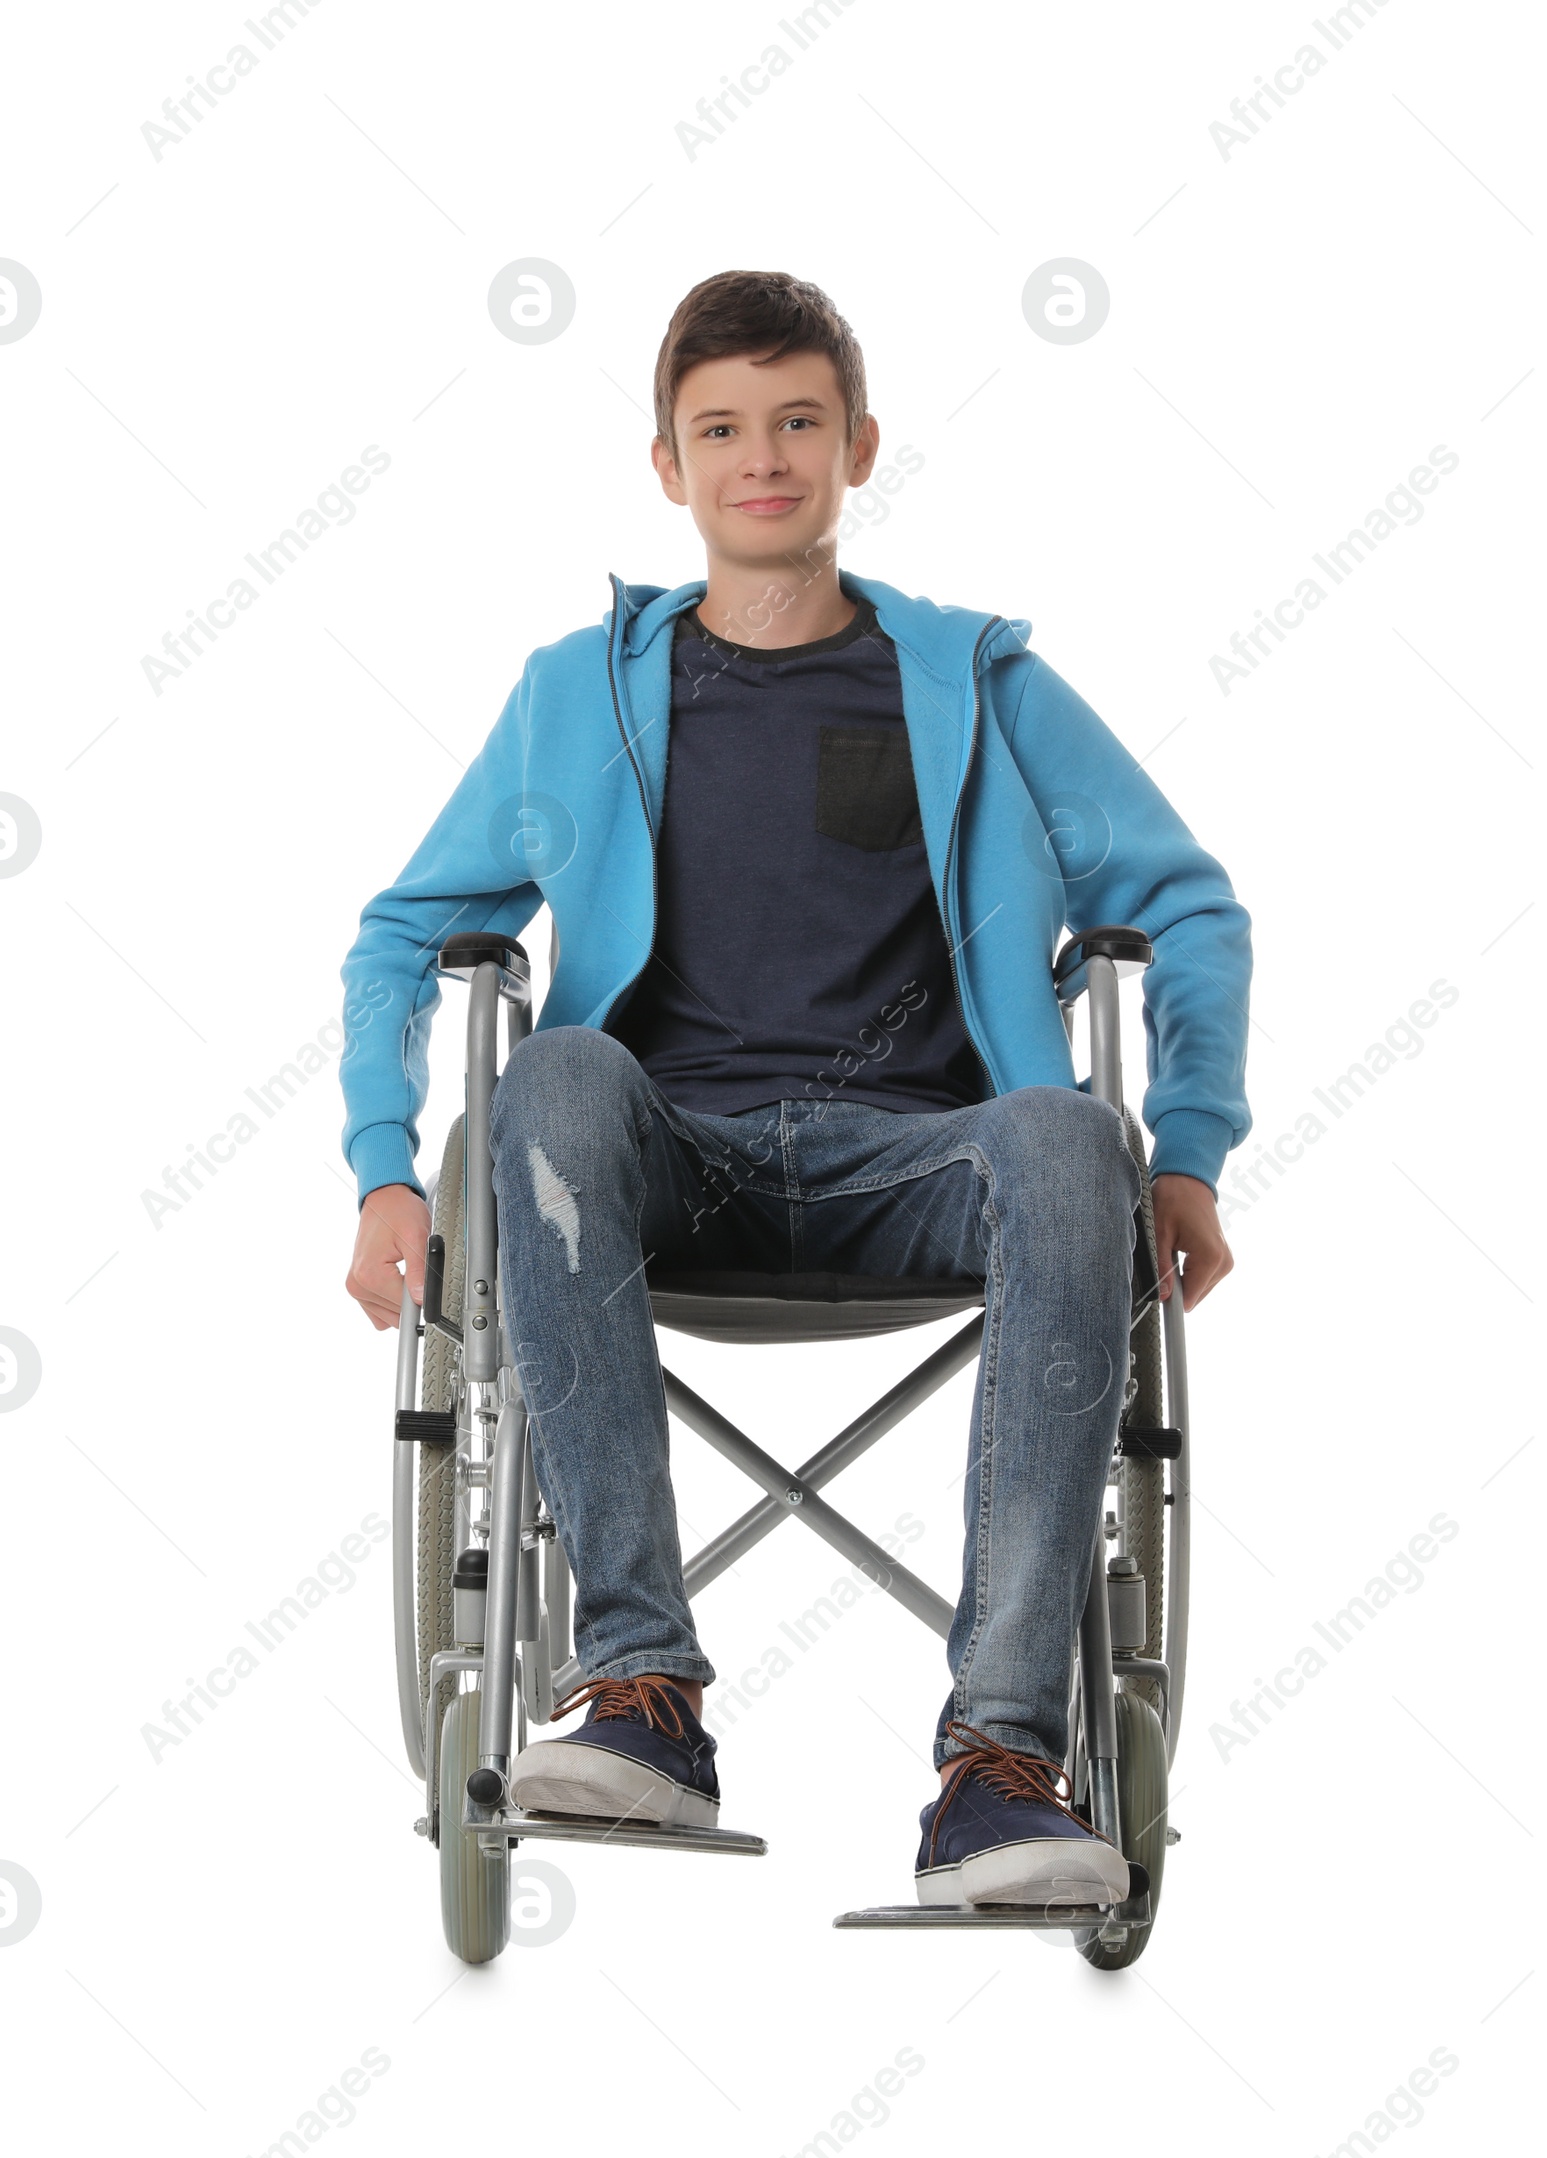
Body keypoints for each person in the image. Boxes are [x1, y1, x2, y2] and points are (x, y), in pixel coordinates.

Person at [339, 269, 1251, 1907]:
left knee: (1067, 1134)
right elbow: (412, 929)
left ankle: (1001, 1763)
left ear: (859, 445)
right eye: (722, 430)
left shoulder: (978, 683)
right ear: (669, 468)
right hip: (660, 1162)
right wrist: (383, 1168)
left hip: (921, 1164)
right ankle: (638, 1693)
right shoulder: (575, 692)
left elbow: (1188, 903)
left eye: (798, 423)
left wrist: (1183, 1149)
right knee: (547, 1069)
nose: (763, 458)